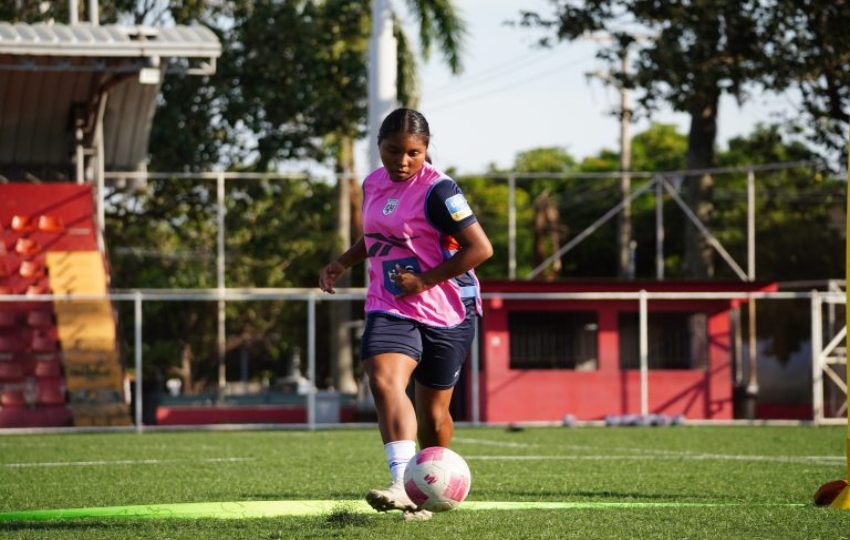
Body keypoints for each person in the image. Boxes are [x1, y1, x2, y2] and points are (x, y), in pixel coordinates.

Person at [319, 108, 493, 521]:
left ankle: (430, 483)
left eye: (413, 153)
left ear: (426, 149)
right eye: (393, 151)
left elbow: (480, 249)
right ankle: (401, 483)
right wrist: (342, 263)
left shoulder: (440, 190)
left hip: (447, 306)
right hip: (390, 303)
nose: (402, 161)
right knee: (382, 378)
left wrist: (425, 280)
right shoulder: (373, 183)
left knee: (434, 415)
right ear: (378, 146)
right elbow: (378, 231)